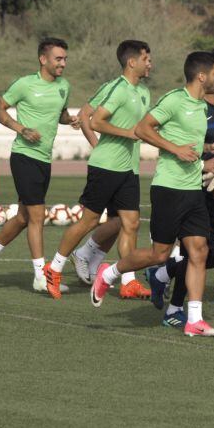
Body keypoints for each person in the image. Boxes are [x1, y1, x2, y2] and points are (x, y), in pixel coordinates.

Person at [90, 51, 214, 337]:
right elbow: (143, 129)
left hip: (193, 189)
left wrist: (206, 154)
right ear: (202, 76)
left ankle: (194, 320)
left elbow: (186, 142)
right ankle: (109, 273)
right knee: (159, 254)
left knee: (199, 251)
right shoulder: (174, 100)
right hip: (168, 189)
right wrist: (175, 149)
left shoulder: (202, 106)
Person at [42, 40, 152, 299]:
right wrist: (103, 144)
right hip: (106, 167)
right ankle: (54, 268)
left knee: (131, 223)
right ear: (131, 62)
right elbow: (94, 120)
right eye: (146, 58)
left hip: (129, 169)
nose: (150, 63)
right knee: (89, 220)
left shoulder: (144, 92)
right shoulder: (117, 89)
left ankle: (128, 281)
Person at [0, 38, 78, 292]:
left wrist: (71, 119)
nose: (63, 63)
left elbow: (60, 114)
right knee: (36, 216)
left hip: (44, 159)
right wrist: (21, 129)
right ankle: (40, 276)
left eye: (65, 58)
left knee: (22, 217)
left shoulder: (64, 86)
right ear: (43, 59)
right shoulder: (25, 84)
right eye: (58, 58)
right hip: (24, 157)